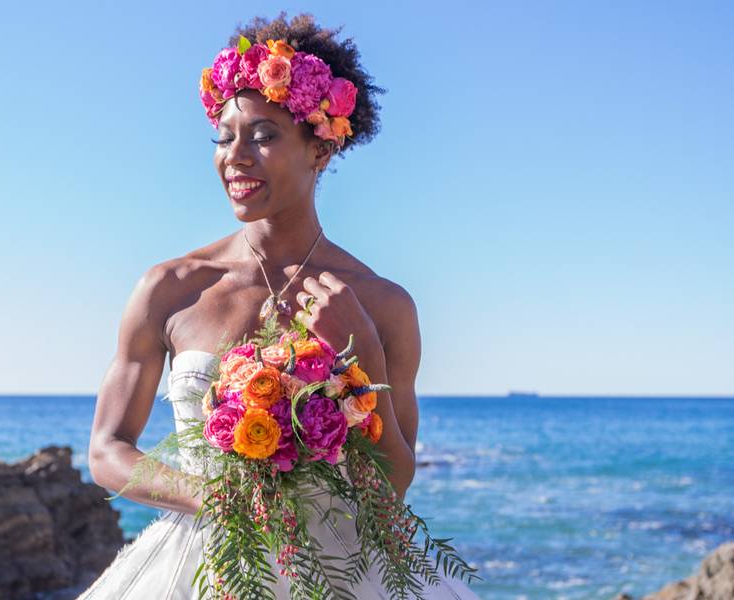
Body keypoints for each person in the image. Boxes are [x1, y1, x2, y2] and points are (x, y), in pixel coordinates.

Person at [77, 12, 481, 600]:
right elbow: (107, 450)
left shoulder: (382, 305)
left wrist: (362, 348)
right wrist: (213, 497)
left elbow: (392, 483)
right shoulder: (170, 288)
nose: (234, 156)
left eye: (263, 136)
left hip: (345, 577)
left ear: (320, 148)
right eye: (224, 137)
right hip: (206, 566)